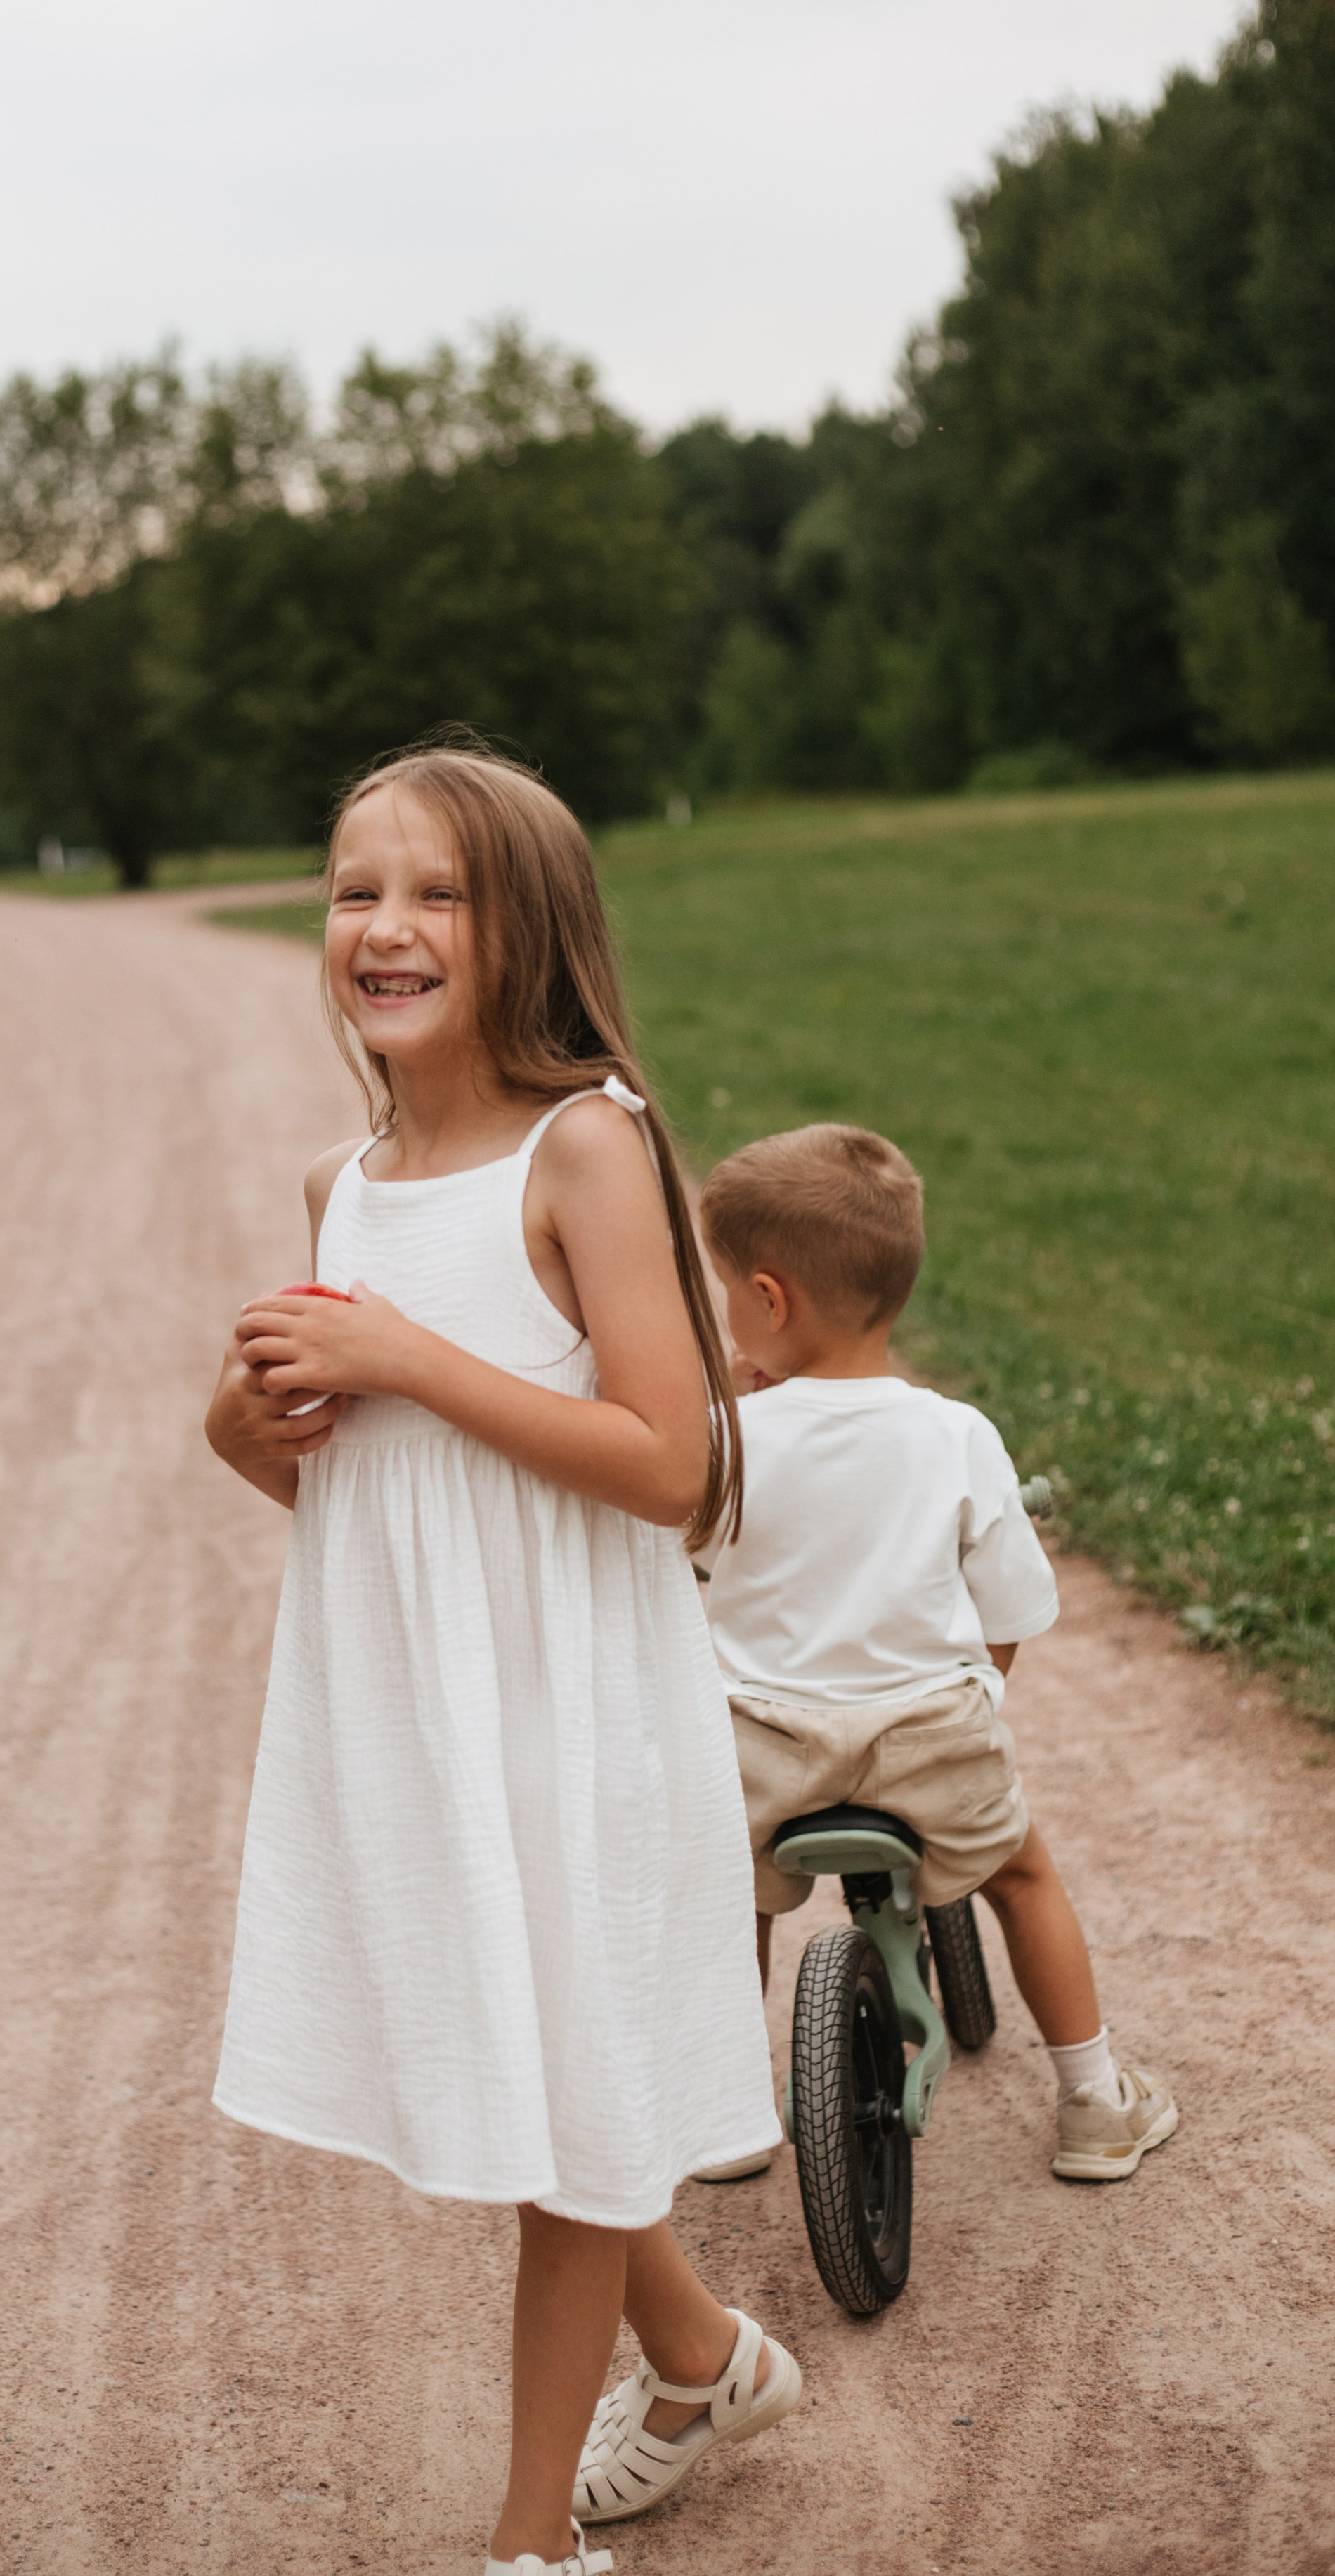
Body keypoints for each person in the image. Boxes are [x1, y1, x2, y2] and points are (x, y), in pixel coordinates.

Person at [204, 746, 801, 2576]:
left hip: (581, 1713)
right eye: (351, 889)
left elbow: (676, 1460)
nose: (382, 927)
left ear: (526, 928)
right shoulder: (346, 1181)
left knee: (564, 2125)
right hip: (435, 1718)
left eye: (435, 894)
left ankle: (529, 2549)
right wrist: (246, 1419)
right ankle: (699, 2362)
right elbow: (345, 1489)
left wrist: (403, 1362)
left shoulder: (585, 1146)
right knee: (541, 2068)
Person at [695, 1120, 1178, 2184]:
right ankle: (1095, 2101)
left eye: (726, 1288)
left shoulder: (725, 1439)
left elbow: (677, 1566)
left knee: (721, 1894)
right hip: (927, 1742)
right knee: (1025, 1873)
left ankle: (724, 2117)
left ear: (767, 1303)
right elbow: (1009, 1606)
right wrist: (976, 1692)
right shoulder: (955, 1436)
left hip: (764, 1749)